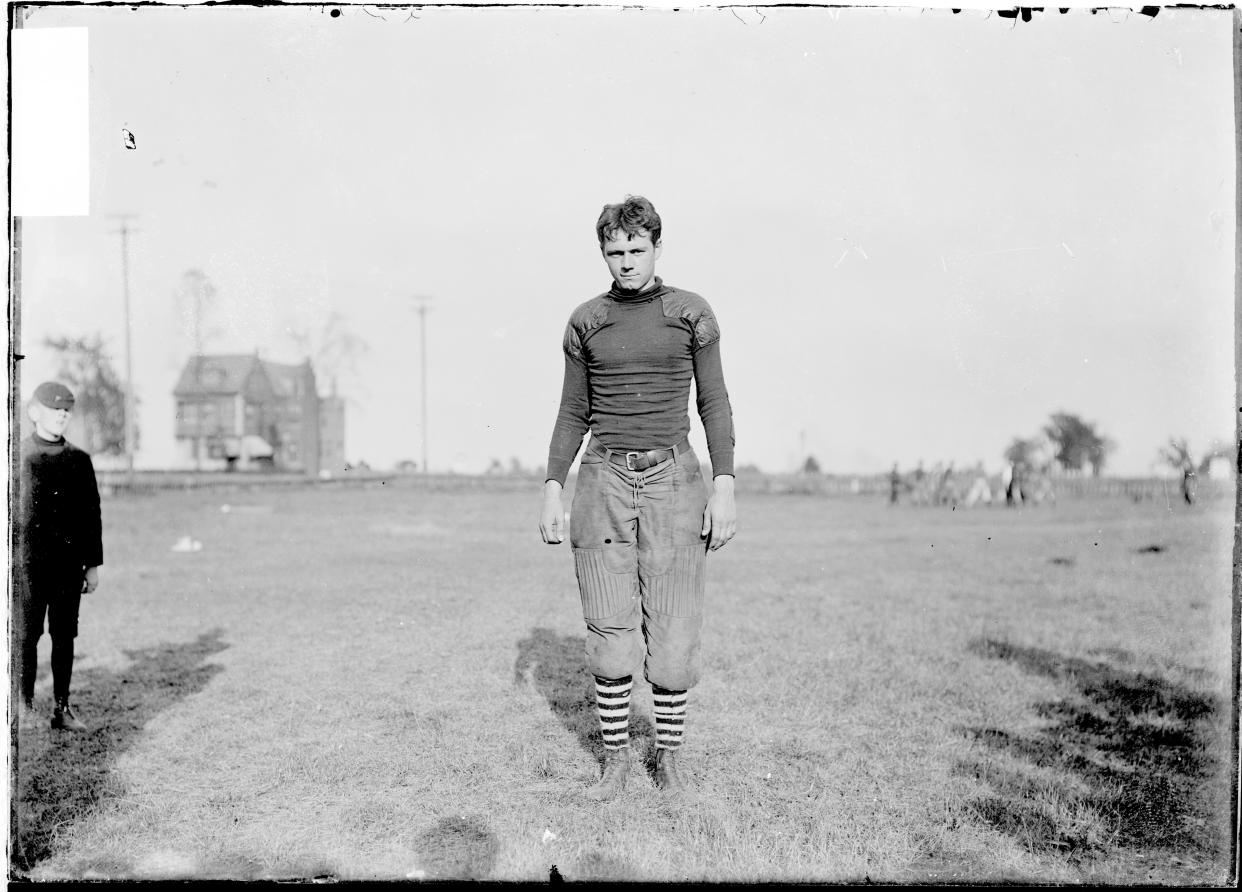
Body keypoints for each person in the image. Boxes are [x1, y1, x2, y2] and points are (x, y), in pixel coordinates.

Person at [539, 196, 736, 801]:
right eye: (614, 251)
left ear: (656, 246)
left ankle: (669, 758)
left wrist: (724, 484)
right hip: (602, 478)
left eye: (636, 249)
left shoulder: (690, 313)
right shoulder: (586, 321)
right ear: (603, 252)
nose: (626, 261)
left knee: (674, 627)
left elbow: (714, 404)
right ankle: (617, 759)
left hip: (673, 477)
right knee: (608, 623)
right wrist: (553, 485)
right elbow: (574, 410)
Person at [17, 381, 103, 731]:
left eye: (66, 411)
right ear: (34, 412)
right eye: (54, 410)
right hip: (27, 566)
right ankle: (22, 705)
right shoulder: (17, 456)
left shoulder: (79, 460)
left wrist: (92, 566)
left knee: (64, 635)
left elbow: (91, 515)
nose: (61, 416)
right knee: (26, 635)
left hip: (68, 567)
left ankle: (62, 709)